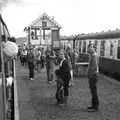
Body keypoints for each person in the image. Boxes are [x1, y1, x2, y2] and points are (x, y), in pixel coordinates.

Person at [87, 44, 99, 112]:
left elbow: (93, 67)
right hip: (93, 75)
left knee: (94, 91)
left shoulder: (94, 56)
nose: (89, 49)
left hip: (93, 76)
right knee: (93, 91)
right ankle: (93, 105)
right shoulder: (93, 55)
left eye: (91, 48)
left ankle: (95, 107)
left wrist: (90, 75)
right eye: (89, 48)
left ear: (94, 48)